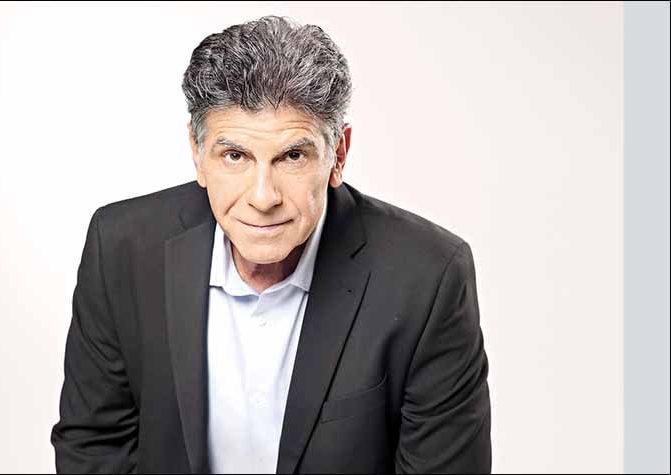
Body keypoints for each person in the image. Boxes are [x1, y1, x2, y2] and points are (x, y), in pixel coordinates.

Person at [50, 15, 491, 474]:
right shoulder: (120, 248)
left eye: (292, 156)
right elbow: (94, 446)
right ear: (197, 155)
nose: (263, 198)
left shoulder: (429, 277)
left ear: (338, 155)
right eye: (235, 156)